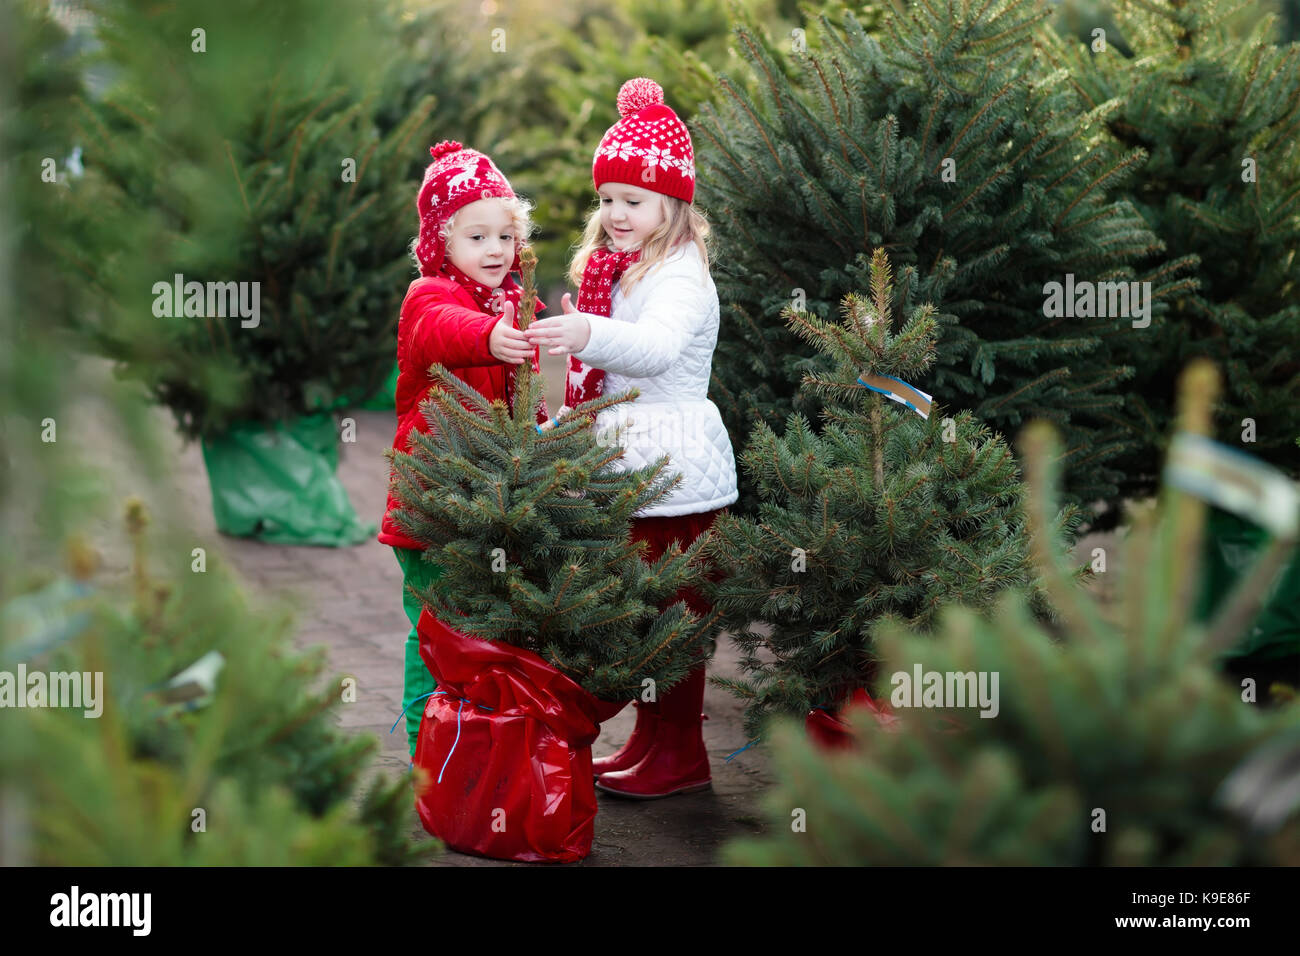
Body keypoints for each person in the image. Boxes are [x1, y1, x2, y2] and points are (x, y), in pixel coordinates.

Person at [524, 78, 739, 798]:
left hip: (677, 467)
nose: (615, 214)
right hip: (637, 458)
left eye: (633, 201)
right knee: (646, 606)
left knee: (668, 614)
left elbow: (651, 350)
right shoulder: (623, 264)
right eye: (608, 198)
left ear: (672, 204)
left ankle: (679, 752)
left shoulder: (681, 275)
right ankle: (650, 742)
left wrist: (587, 332)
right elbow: (614, 377)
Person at [379, 141, 549, 759]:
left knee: (480, 627)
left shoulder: (509, 302)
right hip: (435, 504)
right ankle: (429, 746)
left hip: (491, 497)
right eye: (477, 238)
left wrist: (541, 433)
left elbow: (520, 395)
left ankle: (475, 739)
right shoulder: (429, 296)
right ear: (440, 243)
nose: (495, 252)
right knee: (436, 629)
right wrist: (492, 335)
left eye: (505, 237)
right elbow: (442, 332)